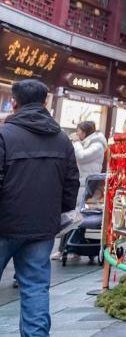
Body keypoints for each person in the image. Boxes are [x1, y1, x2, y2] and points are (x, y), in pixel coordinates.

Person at [0, 79, 79, 337]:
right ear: (45, 103)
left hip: (4, 224)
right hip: (42, 227)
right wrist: (58, 214)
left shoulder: (4, 135)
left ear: (14, 102)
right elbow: (71, 183)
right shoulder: (62, 139)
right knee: (35, 288)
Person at [72, 120, 107, 206]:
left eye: (78, 131)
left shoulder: (98, 145)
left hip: (87, 184)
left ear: (84, 133)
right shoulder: (85, 143)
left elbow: (81, 156)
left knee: (79, 208)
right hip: (81, 183)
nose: (76, 133)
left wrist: (76, 142)